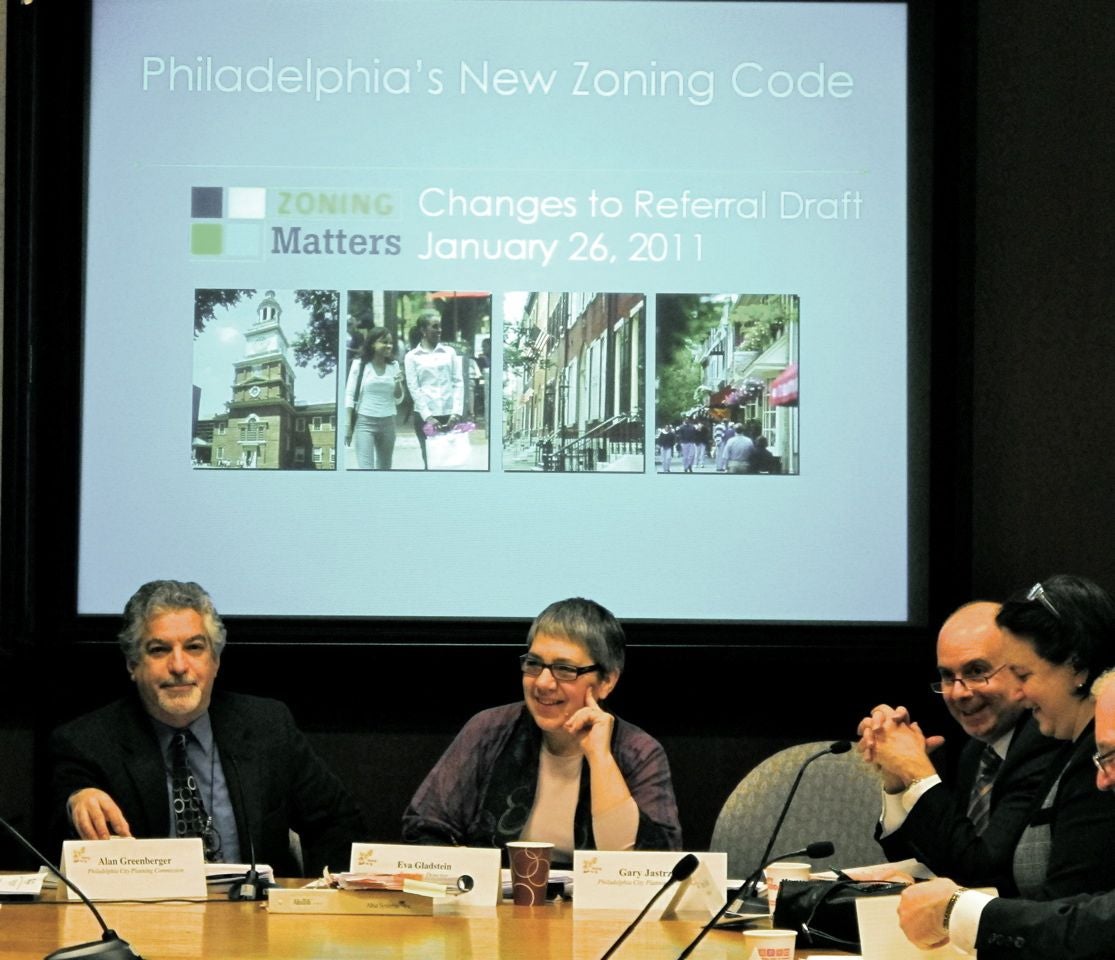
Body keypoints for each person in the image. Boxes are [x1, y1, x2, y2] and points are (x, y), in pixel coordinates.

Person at [49, 580, 366, 875]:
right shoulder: (88, 741)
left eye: (194, 647)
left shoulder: (267, 727)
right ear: (133, 664)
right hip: (146, 920)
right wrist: (77, 798)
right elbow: (61, 817)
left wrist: (318, 898)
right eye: (159, 650)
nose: (178, 666)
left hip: (257, 919)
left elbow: (338, 822)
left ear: (215, 660)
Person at [401, 598, 682, 865]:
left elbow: (650, 866)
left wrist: (600, 757)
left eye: (564, 669)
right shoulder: (489, 730)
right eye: (534, 664)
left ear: (607, 681)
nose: (544, 683)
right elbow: (425, 827)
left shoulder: (639, 752)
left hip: (599, 912)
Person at [897, 666, 1115, 958]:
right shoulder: (973, 754)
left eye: (1111, 756)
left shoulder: (1043, 755)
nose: (1102, 781)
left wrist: (960, 911)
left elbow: (1093, 925)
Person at [858, 601, 1060, 888]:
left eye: (977, 671)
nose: (958, 693)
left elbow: (982, 872)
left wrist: (917, 770)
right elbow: (929, 862)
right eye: (947, 676)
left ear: (1021, 669)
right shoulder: (976, 752)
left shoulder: (1043, 743)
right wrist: (898, 781)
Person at [403, 306, 463, 469]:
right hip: (426, 417)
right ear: (423, 330)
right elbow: (413, 388)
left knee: (452, 462)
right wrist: (428, 417)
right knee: (431, 461)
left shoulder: (449, 352)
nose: (439, 330)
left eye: (440, 326)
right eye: (434, 327)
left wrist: (456, 412)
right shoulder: (411, 357)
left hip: (450, 416)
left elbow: (458, 382)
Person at [344, 326, 405, 470]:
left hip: (388, 422)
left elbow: (398, 399)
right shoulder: (360, 364)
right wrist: (347, 426)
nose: (389, 345)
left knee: (385, 468)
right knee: (366, 468)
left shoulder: (394, 365)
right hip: (365, 422)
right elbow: (349, 394)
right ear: (372, 343)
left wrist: (398, 384)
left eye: (390, 342)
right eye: (384, 342)